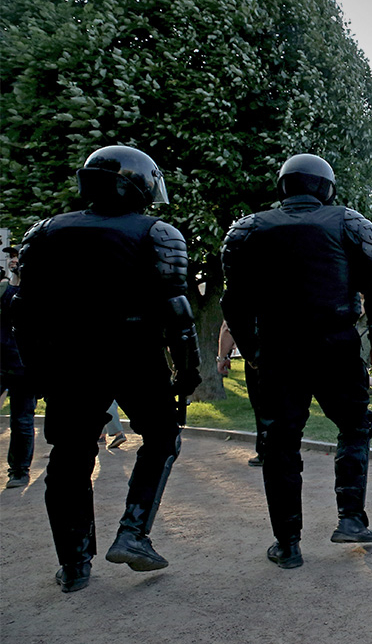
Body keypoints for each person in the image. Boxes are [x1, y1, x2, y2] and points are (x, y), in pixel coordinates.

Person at [14, 145, 200, 593]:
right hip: (137, 355)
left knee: (69, 459)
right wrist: (188, 370)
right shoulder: (158, 232)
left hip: (70, 360)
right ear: (137, 183)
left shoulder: (44, 233)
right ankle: (133, 531)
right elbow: (178, 314)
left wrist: (37, 369)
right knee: (161, 438)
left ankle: (75, 565)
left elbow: (24, 311)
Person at [221, 153, 372, 570]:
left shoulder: (248, 228)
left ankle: (288, 543)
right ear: (326, 187)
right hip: (336, 343)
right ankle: (350, 517)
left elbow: (232, 301)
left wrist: (253, 350)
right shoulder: (350, 222)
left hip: (278, 348)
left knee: (279, 443)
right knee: (354, 427)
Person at [2, 245, 35, 489]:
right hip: (11, 360)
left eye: (17, 258)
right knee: (22, 419)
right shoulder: (7, 287)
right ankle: (19, 470)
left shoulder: (35, 291)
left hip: (22, 364)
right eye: (12, 258)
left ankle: (19, 470)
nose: (13, 261)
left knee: (22, 420)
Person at [216, 321, 263, 467]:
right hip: (290, 355)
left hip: (259, 358)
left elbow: (228, 327)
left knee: (261, 406)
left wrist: (222, 357)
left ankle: (265, 449)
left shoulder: (244, 298)